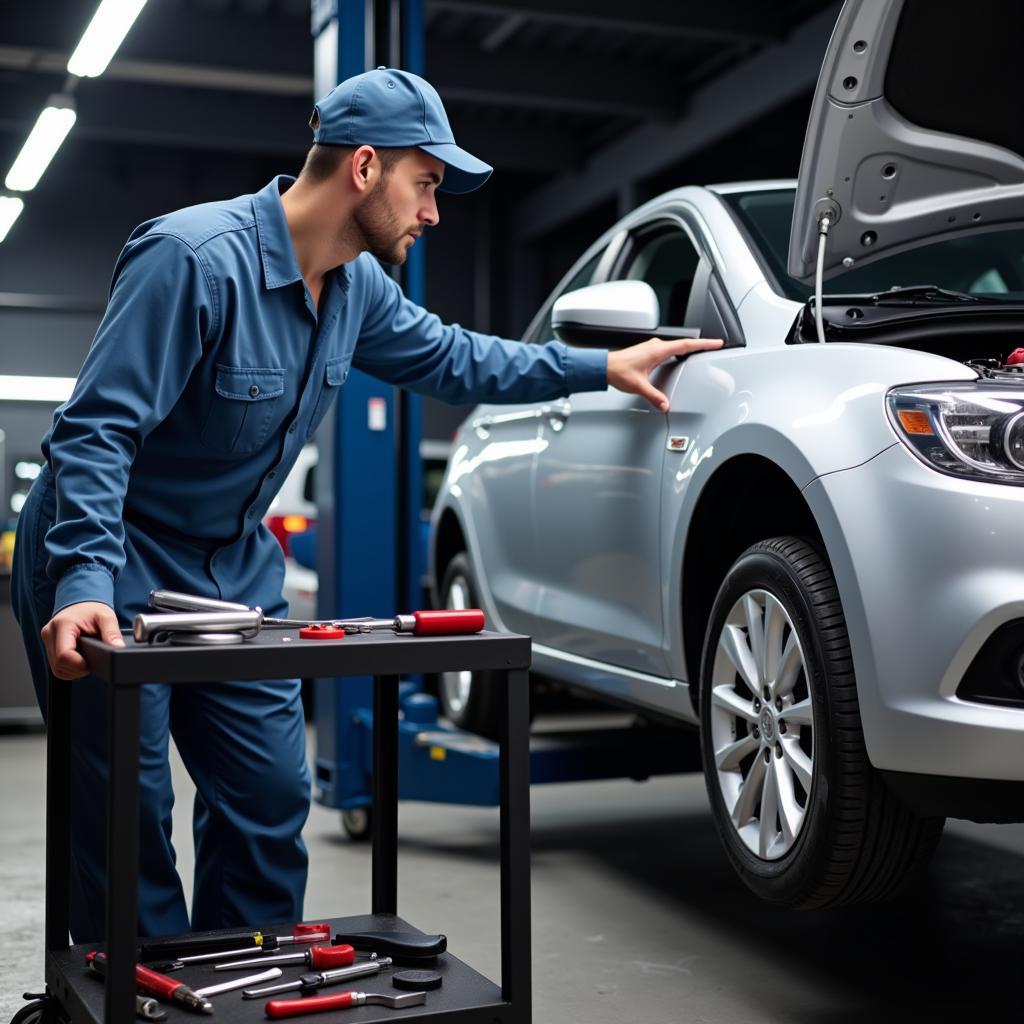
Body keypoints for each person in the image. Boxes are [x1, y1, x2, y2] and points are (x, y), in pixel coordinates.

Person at [11, 67, 723, 942]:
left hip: (228, 567)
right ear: (363, 167)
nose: (432, 212)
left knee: (268, 798)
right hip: (108, 548)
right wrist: (80, 577)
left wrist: (599, 367)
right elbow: (95, 433)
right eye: (425, 184)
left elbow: (457, 358)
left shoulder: (355, 290)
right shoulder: (193, 258)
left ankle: (240, 978)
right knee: (128, 811)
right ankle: (147, 997)